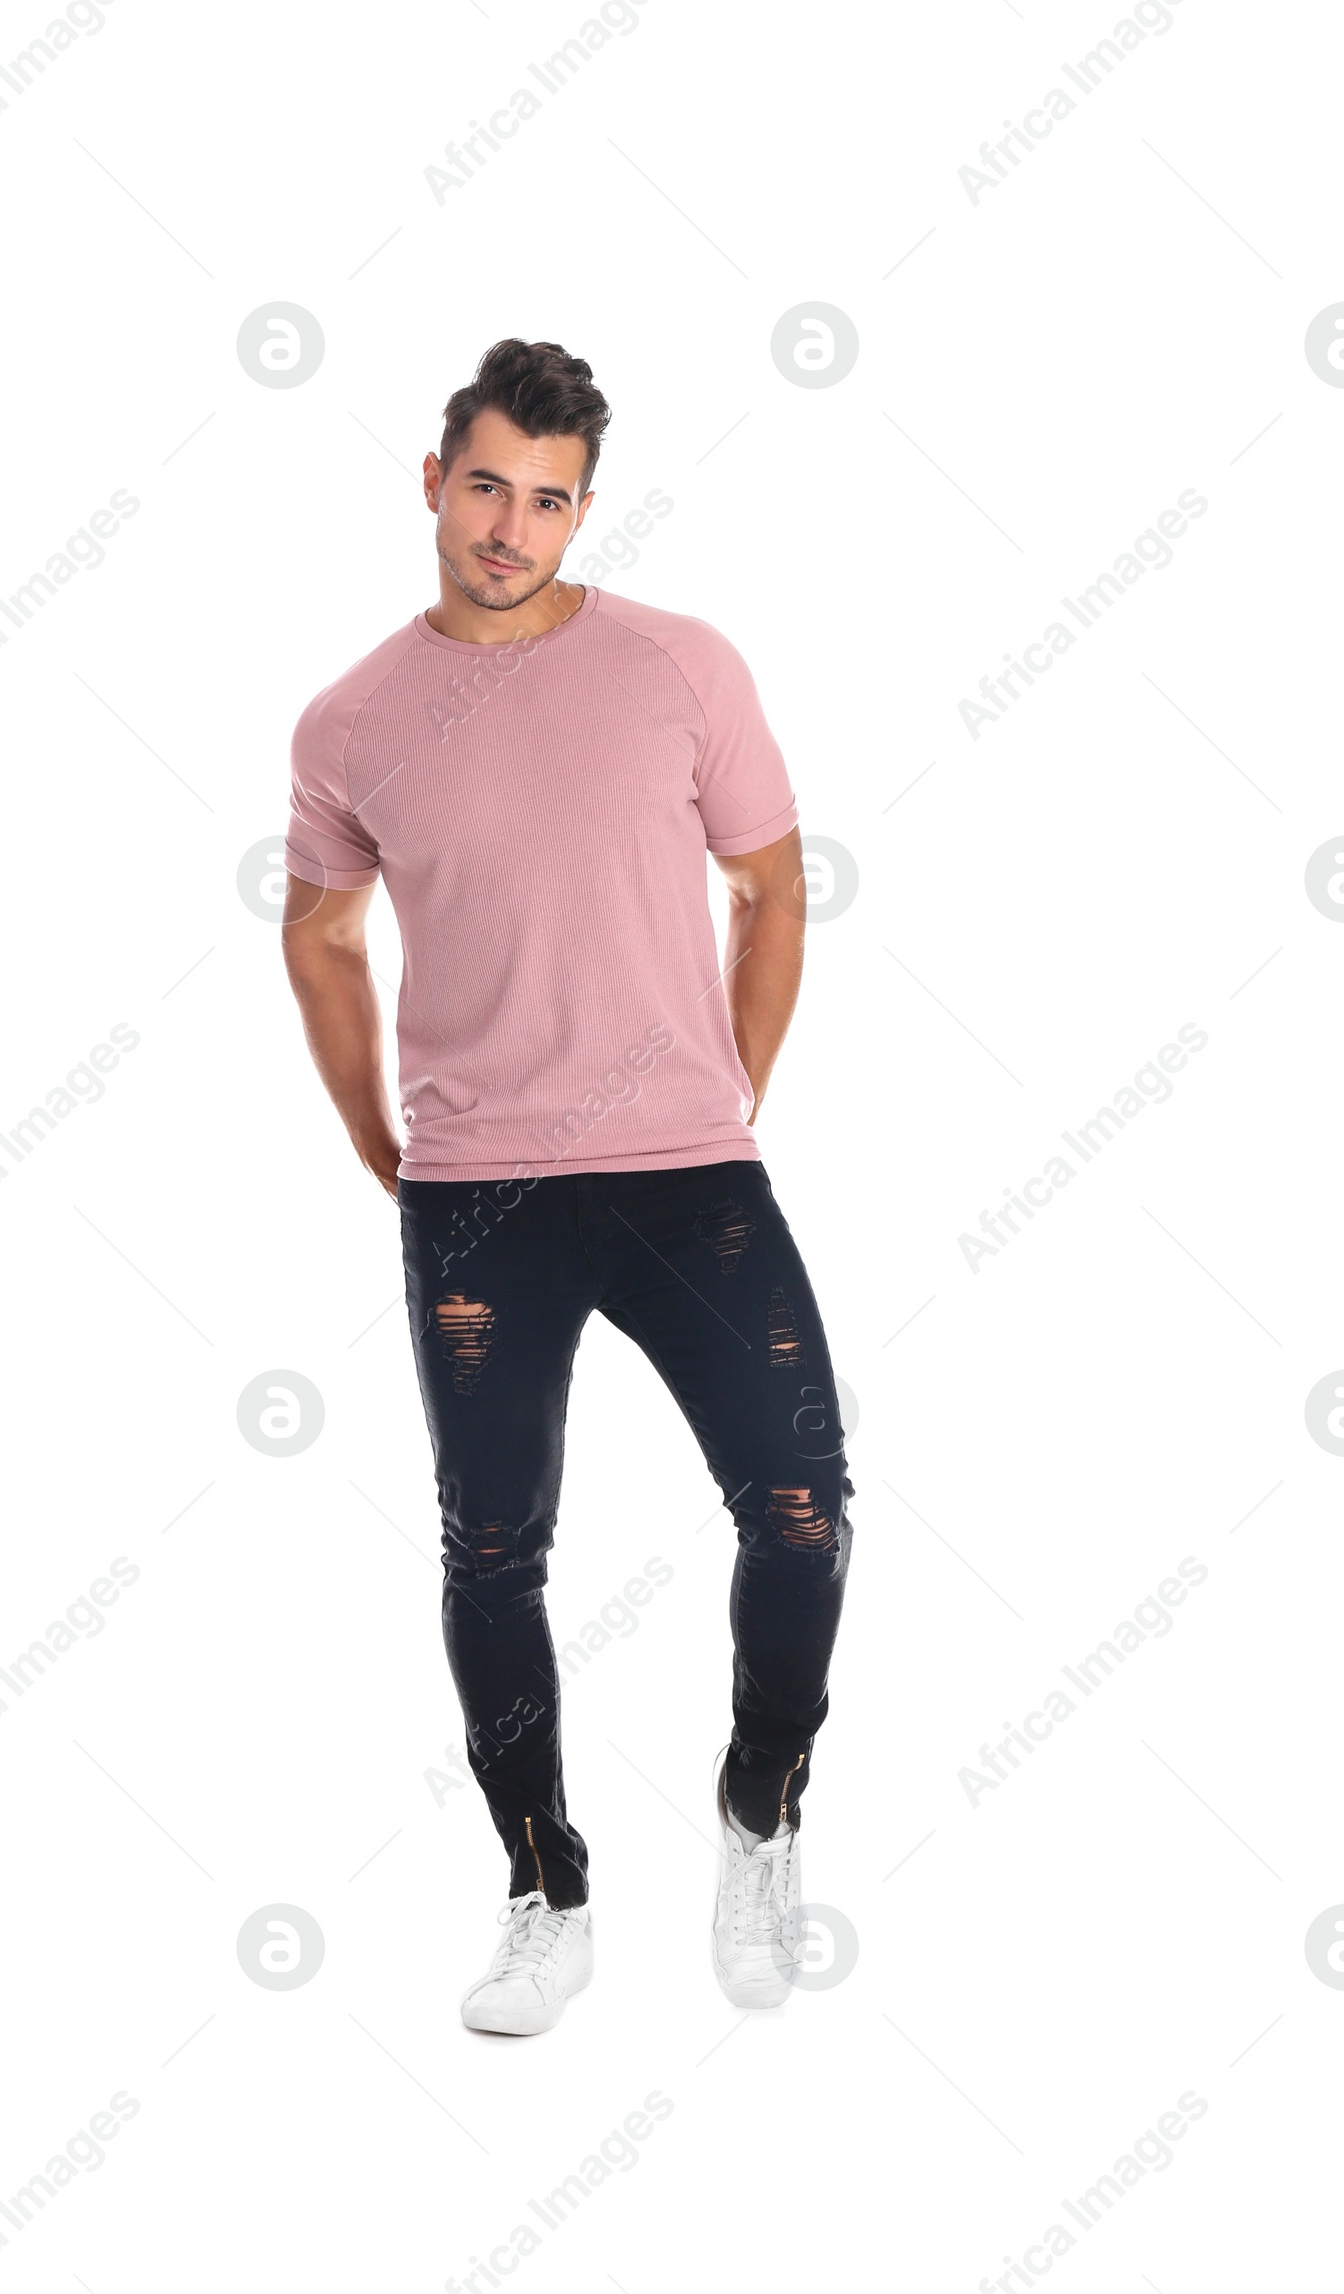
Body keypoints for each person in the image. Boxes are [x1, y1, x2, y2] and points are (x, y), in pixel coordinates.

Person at [282, 339, 854, 2034]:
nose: (511, 526)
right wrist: (372, 1133)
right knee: (491, 1548)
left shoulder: (680, 665)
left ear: (583, 505)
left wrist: (730, 1089)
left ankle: (761, 1799)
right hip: (480, 1197)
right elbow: (319, 933)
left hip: (691, 1175)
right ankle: (546, 1884)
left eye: (547, 498)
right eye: (486, 485)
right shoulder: (352, 721)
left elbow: (772, 889)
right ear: (435, 478)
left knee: (805, 1506)